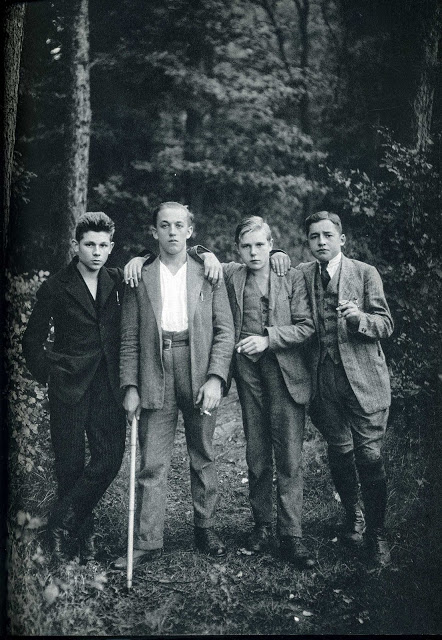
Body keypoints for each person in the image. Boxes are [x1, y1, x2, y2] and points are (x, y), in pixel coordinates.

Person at [188, 217, 316, 568]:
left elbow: (307, 326)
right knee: (257, 454)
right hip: (250, 375)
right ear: (238, 249)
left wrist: (269, 338)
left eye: (261, 245)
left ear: (271, 244)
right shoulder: (232, 273)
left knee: (288, 455)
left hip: (285, 372)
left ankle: (291, 535)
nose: (254, 252)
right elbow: (192, 251)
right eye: (247, 246)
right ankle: (262, 525)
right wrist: (207, 254)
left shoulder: (291, 276)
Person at [113, 202, 235, 570]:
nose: (171, 232)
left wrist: (216, 378)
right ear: (154, 232)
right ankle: (148, 540)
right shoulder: (140, 274)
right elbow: (130, 337)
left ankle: (206, 527)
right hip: (154, 366)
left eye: (178, 225)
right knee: (153, 459)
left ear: (190, 230)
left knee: (203, 453)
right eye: (164, 225)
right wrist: (130, 385)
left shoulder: (208, 271)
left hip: (197, 365)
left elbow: (225, 332)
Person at [22, 212, 127, 563]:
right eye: (89, 245)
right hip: (68, 384)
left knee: (109, 460)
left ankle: (60, 525)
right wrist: (49, 374)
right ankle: (82, 539)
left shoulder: (118, 281)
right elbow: (31, 340)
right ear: (76, 245)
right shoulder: (56, 285)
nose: (96, 252)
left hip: (108, 386)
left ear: (111, 248)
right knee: (70, 465)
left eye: (102, 245)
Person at [297, 210, 394, 569]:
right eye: (313, 237)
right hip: (325, 386)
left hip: (364, 380)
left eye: (327, 235)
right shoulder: (303, 275)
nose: (321, 242)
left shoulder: (365, 274)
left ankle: (378, 534)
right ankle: (353, 514)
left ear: (341, 238)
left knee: (369, 456)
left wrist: (359, 320)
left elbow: (386, 324)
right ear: (307, 243)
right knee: (340, 450)